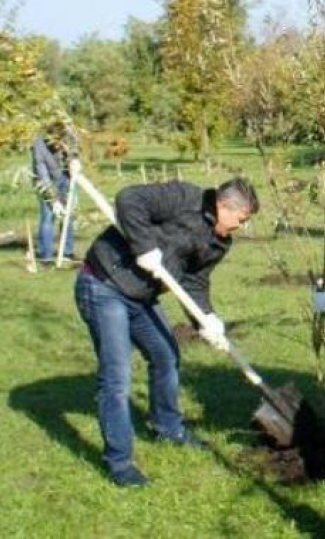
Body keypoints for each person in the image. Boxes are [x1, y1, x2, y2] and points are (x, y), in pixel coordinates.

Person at [74, 177, 259, 487]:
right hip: (104, 283)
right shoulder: (183, 197)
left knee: (166, 355)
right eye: (242, 219)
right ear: (224, 206)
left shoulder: (219, 242)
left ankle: (167, 428)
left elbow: (194, 282)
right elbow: (128, 198)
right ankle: (120, 463)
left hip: (141, 296)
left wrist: (207, 320)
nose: (242, 226)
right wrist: (144, 247)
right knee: (117, 378)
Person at [31, 121, 75, 263]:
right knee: (48, 216)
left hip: (65, 178)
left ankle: (67, 253)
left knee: (67, 215)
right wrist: (54, 200)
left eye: (60, 141)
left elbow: (76, 152)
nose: (57, 145)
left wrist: (74, 161)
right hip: (46, 181)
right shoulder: (39, 146)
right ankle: (46, 255)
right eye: (55, 142)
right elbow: (42, 173)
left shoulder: (68, 138)